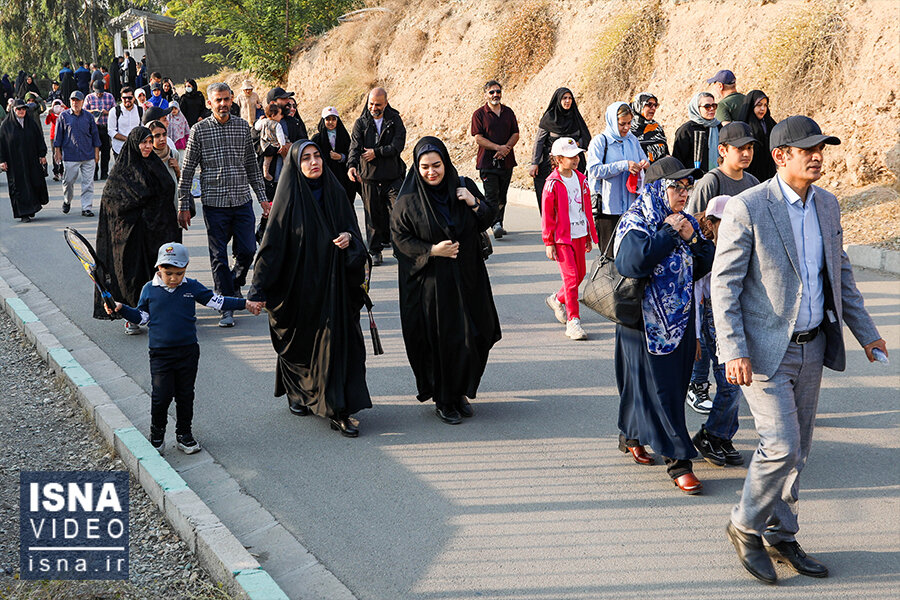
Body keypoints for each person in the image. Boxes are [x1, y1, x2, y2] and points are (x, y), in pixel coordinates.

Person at [712, 115, 886, 585]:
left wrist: (866, 332)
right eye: (807, 149)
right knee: (781, 445)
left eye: (821, 148)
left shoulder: (827, 206)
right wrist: (733, 350)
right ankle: (745, 524)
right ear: (781, 156)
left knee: (800, 451)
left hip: (813, 346)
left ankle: (782, 532)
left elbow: (839, 273)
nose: (817, 156)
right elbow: (723, 285)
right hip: (765, 351)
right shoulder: (748, 207)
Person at [248, 141, 372, 436]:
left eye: (317, 156)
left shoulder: (336, 192)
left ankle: (339, 409)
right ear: (295, 164)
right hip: (299, 291)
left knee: (338, 345)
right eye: (306, 158)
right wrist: (257, 290)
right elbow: (271, 248)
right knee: (300, 345)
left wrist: (348, 238)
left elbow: (355, 234)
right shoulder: (288, 198)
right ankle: (298, 392)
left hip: (335, 289)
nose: (314, 162)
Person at [613, 156, 715, 495]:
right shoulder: (636, 220)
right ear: (657, 188)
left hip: (681, 321)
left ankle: (631, 435)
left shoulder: (683, 220)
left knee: (647, 387)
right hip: (644, 324)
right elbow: (633, 261)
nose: (684, 194)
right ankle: (678, 461)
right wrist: (670, 234)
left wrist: (695, 240)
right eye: (677, 186)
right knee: (662, 392)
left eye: (687, 187)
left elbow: (701, 265)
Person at [106, 242, 262, 453]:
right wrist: (122, 309)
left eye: (179, 273)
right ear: (158, 268)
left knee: (185, 394)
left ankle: (184, 434)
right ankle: (157, 435)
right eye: (168, 272)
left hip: (188, 351)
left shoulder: (191, 286)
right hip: (160, 354)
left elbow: (216, 301)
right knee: (161, 396)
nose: (173, 278)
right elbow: (142, 317)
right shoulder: (149, 290)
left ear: (186, 268)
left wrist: (245, 303)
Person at [391, 136, 501, 425]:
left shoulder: (462, 186)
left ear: (445, 163)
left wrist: (474, 203)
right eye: (425, 167)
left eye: (436, 165)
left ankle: (460, 390)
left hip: (468, 277)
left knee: (478, 333)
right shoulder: (408, 201)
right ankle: (444, 398)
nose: (431, 172)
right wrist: (432, 251)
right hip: (432, 287)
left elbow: (487, 217)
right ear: (416, 167)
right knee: (443, 341)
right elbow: (400, 241)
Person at [177, 82, 269, 328]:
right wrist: (183, 204)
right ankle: (226, 306)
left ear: (232, 101)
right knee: (218, 256)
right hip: (215, 203)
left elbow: (252, 165)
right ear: (209, 103)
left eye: (226, 99)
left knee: (249, 250)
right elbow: (187, 171)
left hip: (241, 201)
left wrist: (263, 198)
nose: (223, 104)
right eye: (218, 100)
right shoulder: (199, 131)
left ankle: (235, 283)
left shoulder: (241, 127)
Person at [683, 122, 759, 414]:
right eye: (740, 148)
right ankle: (697, 385)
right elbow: (693, 226)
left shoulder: (752, 183)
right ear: (722, 150)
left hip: (741, 274)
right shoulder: (710, 183)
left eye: (750, 148)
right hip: (710, 276)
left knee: (730, 334)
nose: (746, 153)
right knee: (706, 333)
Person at [93, 127, 181, 334]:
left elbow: (168, 193)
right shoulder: (121, 171)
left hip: (157, 232)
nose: (148, 146)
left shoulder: (156, 165)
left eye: (150, 142)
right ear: (134, 144)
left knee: (157, 275)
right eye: (144, 142)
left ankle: (157, 314)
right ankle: (132, 317)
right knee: (131, 276)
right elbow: (111, 202)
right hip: (129, 235)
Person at [688, 194, 745, 468]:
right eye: (726, 221)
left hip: (738, 323)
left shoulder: (739, 246)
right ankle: (711, 435)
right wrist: (697, 337)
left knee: (736, 383)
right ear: (711, 222)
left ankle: (723, 437)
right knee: (730, 383)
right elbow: (697, 296)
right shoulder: (707, 251)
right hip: (714, 324)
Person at [541, 137, 597, 340]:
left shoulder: (582, 179)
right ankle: (573, 321)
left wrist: (590, 234)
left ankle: (557, 299)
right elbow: (547, 215)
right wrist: (549, 242)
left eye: (577, 156)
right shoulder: (552, 184)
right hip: (562, 238)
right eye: (571, 156)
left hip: (580, 234)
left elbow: (586, 209)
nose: (576, 160)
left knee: (580, 275)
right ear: (558, 159)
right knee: (571, 278)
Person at [348, 87, 406, 266]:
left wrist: (377, 152)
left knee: (398, 212)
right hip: (369, 178)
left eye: (378, 104)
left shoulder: (394, 120)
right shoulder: (361, 123)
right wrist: (351, 165)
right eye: (371, 104)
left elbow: (398, 145)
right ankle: (375, 251)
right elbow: (355, 147)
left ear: (386, 103)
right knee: (372, 215)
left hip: (392, 176)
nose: (374, 107)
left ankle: (402, 248)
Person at [586, 102, 648, 256]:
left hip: (631, 208)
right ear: (613, 121)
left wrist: (644, 164)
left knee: (630, 255)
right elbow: (594, 170)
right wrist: (622, 165)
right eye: (622, 124)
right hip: (608, 210)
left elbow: (643, 159)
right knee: (610, 256)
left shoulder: (632, 140)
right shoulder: (600, 142)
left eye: (629, 123)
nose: (626, 128)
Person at [471, 80, 519, 239]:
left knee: (502, 195)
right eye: (491, 92)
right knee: (491, 194)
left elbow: (515, 133)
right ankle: (493, 223)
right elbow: (478, 138)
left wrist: (506, 149)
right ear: (485, 94)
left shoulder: (508, 112)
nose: (495, 95)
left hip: (506, 161)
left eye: (498, 91)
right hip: (487, 162)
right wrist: (498, 148)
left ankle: (499, 222)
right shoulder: (479, 114)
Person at [530, 88, 591, 211]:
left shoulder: (575, 117)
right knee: (553, 198)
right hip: (553, 164)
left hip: (575, 164)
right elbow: (539, 141)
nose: (567, 101)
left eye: (570, 98)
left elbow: (586, 137)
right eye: (564, 98)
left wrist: (578, 143)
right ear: (558, 100)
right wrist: (534, 163)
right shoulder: (549, 118)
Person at [0, 99, 49, 222]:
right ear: (13, 110)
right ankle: (23, 213)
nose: (21, 111)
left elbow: (39, 138)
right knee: (19, 187)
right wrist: (2, 160)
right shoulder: (6, 126)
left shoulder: (31, 123)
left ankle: (32, 208)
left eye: (23, 109)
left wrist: (42, 154)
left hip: (31, 159)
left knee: (33, 183)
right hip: (14, 163)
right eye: (18, 109)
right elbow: (1, 145)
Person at [53, 90, 101, 217]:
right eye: (73, 100)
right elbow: (58, 136)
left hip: (88, 154)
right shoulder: (64, 116)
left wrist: (97, 153)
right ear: (70, 101)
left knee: (88, 183)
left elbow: (95, 136)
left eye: (78, 100)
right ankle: (67, 200)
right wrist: (57, 152)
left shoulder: (89, 117)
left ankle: (86, 207)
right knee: (68, 181)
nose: (75, 103)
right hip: (70, 155)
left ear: (82, 102)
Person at [311, 106, 357, 205]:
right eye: (328, 119)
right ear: (323, 121)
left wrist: (341, 157)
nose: (331, 122)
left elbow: (352, 153)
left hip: (342, 177)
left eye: (333, 119)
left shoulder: (344, 136)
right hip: (325, 177)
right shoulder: (317, 138)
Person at [672, 92, 721, 175]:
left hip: (718, 176)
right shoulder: (686, 130)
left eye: (714, 105)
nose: (712, 109)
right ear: (696, 108)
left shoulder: (718, 127)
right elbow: (678, 159)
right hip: (694, 179)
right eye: (707, 106)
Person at [739, 90, 778, 182]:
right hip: (751, 168)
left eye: (765, 105)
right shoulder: (745, 124)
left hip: (769, 168)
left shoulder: (769, 122)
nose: (763, 109)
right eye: (759, 105)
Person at [147, 120, 181, 218]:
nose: (162, 139)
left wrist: (177, 169)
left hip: (172, 208)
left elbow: (180, 181)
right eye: (157, 136)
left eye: (164, 135)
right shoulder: (147, 157)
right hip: (154, 212)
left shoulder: (173, 154)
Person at [84, 80, 115, 180]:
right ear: (93, 89)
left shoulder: (109, 96)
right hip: (94, 127)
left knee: (106, 151)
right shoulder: (89, 97)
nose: (99, 94)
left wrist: (108, 112)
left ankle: (104, 172)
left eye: (101, 91)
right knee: (94, 150)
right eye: (98, 92)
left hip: (106, 127)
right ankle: (94, 173)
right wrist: (93, 111)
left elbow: (115, 111)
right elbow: (84, 110)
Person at [630, 92, 668, 163]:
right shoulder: (627, 129)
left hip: (660, 171)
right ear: (638, 105)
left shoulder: (657, 127)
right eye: (649, 104)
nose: (653, 108)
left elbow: (665, 152)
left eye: (655, 105)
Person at [255, 102, 286, 186]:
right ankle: (286, 166)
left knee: (267, 160)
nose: (281, 116)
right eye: (279, 114)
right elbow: (280, 136)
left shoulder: (263, 121)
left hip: (264, 145)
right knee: (283, 155)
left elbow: (256, 127)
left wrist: (259, 120)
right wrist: (282, 145)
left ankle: (266, 172)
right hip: (274, 145)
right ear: (273, 115)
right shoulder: (277, 125)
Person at [108, 87, 143, 158]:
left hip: (136, 149)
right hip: (119, 149)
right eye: (124, 98)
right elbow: (111, 131)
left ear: (134, 98)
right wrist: (127, 139)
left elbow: (143, 127)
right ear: (121, 98)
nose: (127, 100)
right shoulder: (114, 111)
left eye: (129, 98)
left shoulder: (140, 111)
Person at [45, 99, 67, 181]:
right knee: (55, 154)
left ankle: (62, 171)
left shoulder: (64, 113)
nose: (57, 107)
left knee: (62, 153)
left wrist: (65, 107)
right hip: (53, 136)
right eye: (55, 105)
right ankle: (56, 172)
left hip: (63, 135)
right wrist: (49, 113)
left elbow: (71, 115)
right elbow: (47, 122)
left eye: (59, 105)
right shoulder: (52, 115)